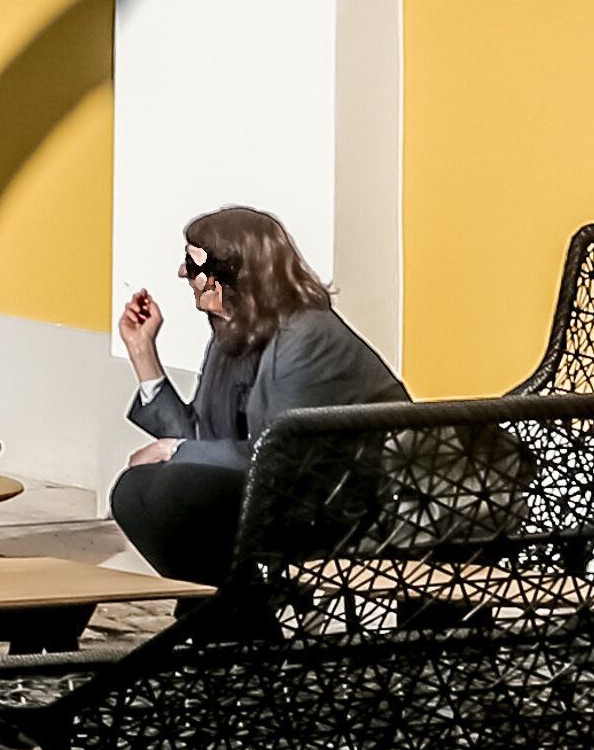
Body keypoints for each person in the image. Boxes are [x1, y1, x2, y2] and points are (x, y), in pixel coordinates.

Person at [110, 203, 408, 585]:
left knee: (174, 489)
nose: (183, 273)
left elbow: (281, 455)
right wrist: (142, 352)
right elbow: (201, 437)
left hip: (348, 506)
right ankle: (232, 614)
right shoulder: (233, 333)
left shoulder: (307, 336)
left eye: (194, 264)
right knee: (134, 492)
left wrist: (174, 450)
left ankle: (229, 616)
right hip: (286, 492)